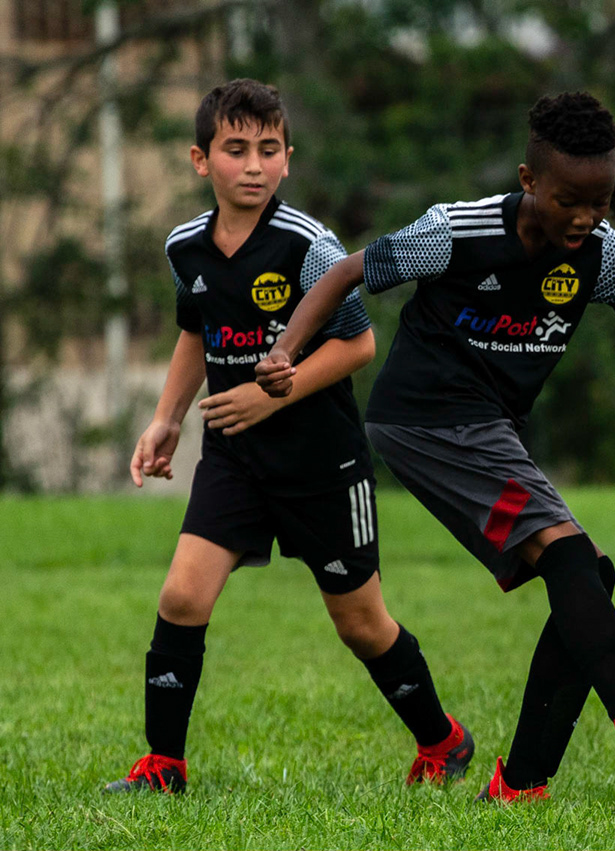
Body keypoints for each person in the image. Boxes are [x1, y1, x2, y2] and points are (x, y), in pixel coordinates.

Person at [255, 91, 615, 801]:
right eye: (569, 200)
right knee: (567, 556)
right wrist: (285, 348)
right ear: (530, 182)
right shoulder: (457, 231)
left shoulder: (601, 253)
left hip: (483, 427)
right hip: (427, 421)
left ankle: (522, 779)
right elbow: (346, 270)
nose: (585, 218)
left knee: (587, 573)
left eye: (599, 202)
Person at [108, 79, 471, 794]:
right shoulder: (186, 246)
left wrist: (270, 397)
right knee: (181, 597)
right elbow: (196, 330)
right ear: (199, 159)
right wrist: (166, 417)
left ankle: (442, 739)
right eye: (235, 149)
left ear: (287, 159)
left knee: (362, 625)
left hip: (321, 463)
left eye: (267, 150)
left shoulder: (309, 246)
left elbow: (358, 346)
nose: (252, 164)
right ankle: (162, 765)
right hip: (235, 460)